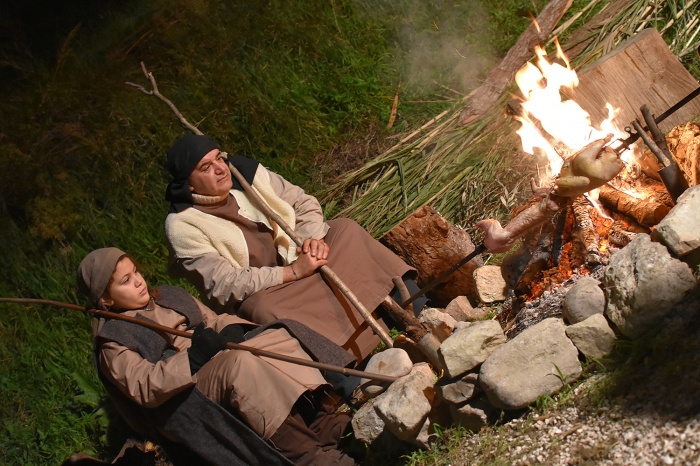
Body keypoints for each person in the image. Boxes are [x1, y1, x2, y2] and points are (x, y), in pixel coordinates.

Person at [77, 247, 356, 466]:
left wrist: (231, 329)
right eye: (126, 281)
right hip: (183, 393)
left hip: (214, 359)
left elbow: (213, 319)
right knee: (241, 364)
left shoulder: (168, 296)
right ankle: (306, 456)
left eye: (135, 272)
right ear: (106, 300)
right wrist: (194, 358)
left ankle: (322, 422)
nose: (138, 282)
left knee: (275, 336)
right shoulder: (113, 341)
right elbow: (145, 387)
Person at [164, 134, 426, 363]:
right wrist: (292, 273)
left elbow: (302, 203)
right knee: (263, 309)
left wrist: (313, 239)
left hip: (302, 257)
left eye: (219, 158)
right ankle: (342, 368)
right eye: (206, 167)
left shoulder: (245, 174)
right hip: (270, 290)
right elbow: (224, 285)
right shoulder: (183, 225)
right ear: (189, 184)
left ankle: (417, 305)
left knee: (345, 230)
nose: (220, 169)